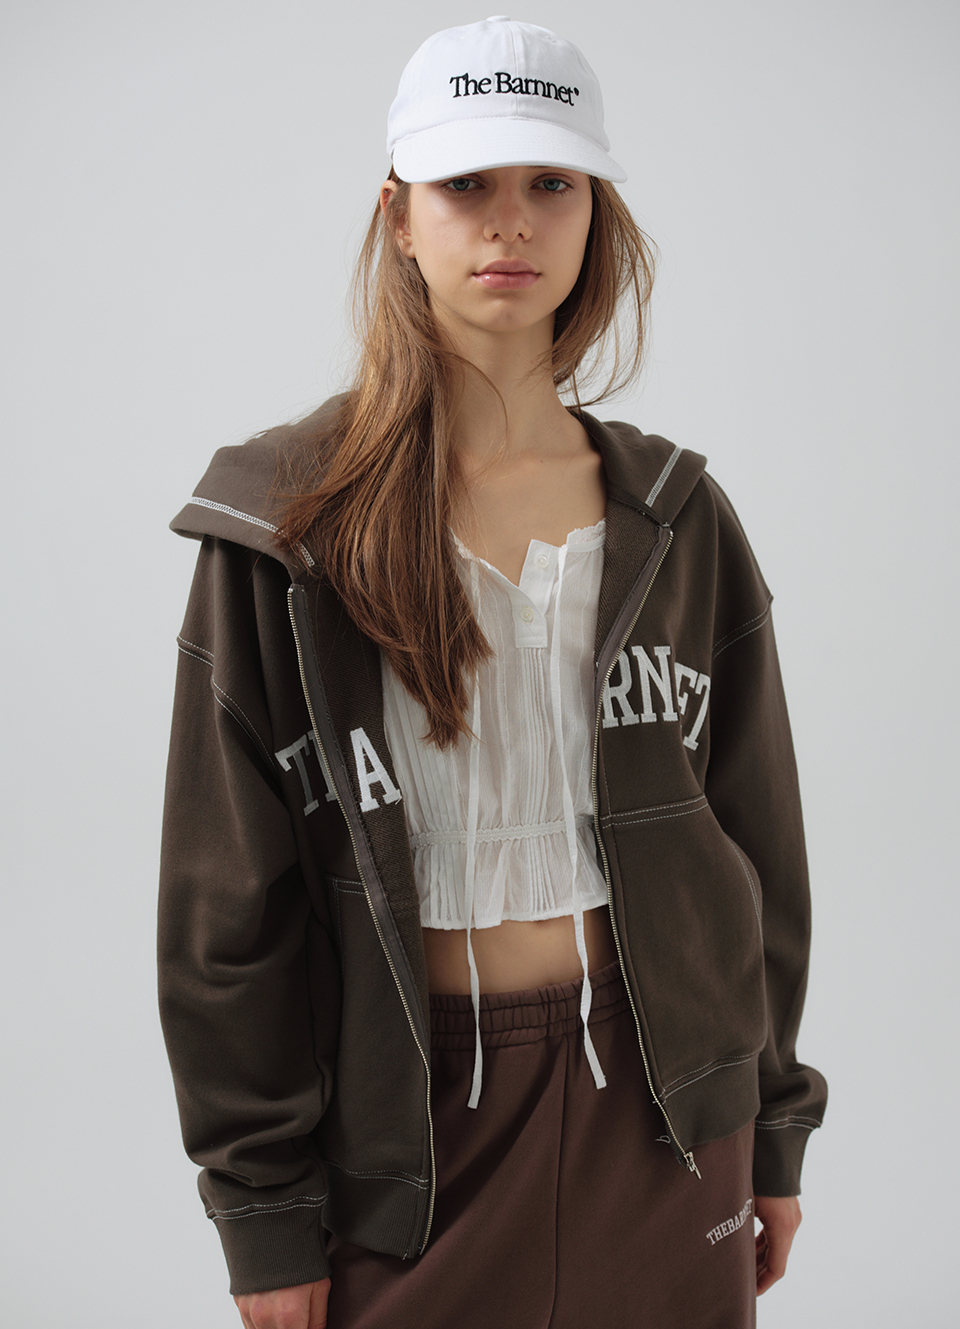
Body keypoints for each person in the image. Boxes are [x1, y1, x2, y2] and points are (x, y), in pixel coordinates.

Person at [159, 17, 827, 1329]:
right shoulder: (283, 530)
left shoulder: (677, 518)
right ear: (399, 217)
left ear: (595, 214)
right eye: (466, 183)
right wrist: (264, 1213)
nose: (510, 220)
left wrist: (773, 1120)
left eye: (551, 183)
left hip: (668, 1107)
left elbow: (756, 844)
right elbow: (224, 911)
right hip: (412, 1138)